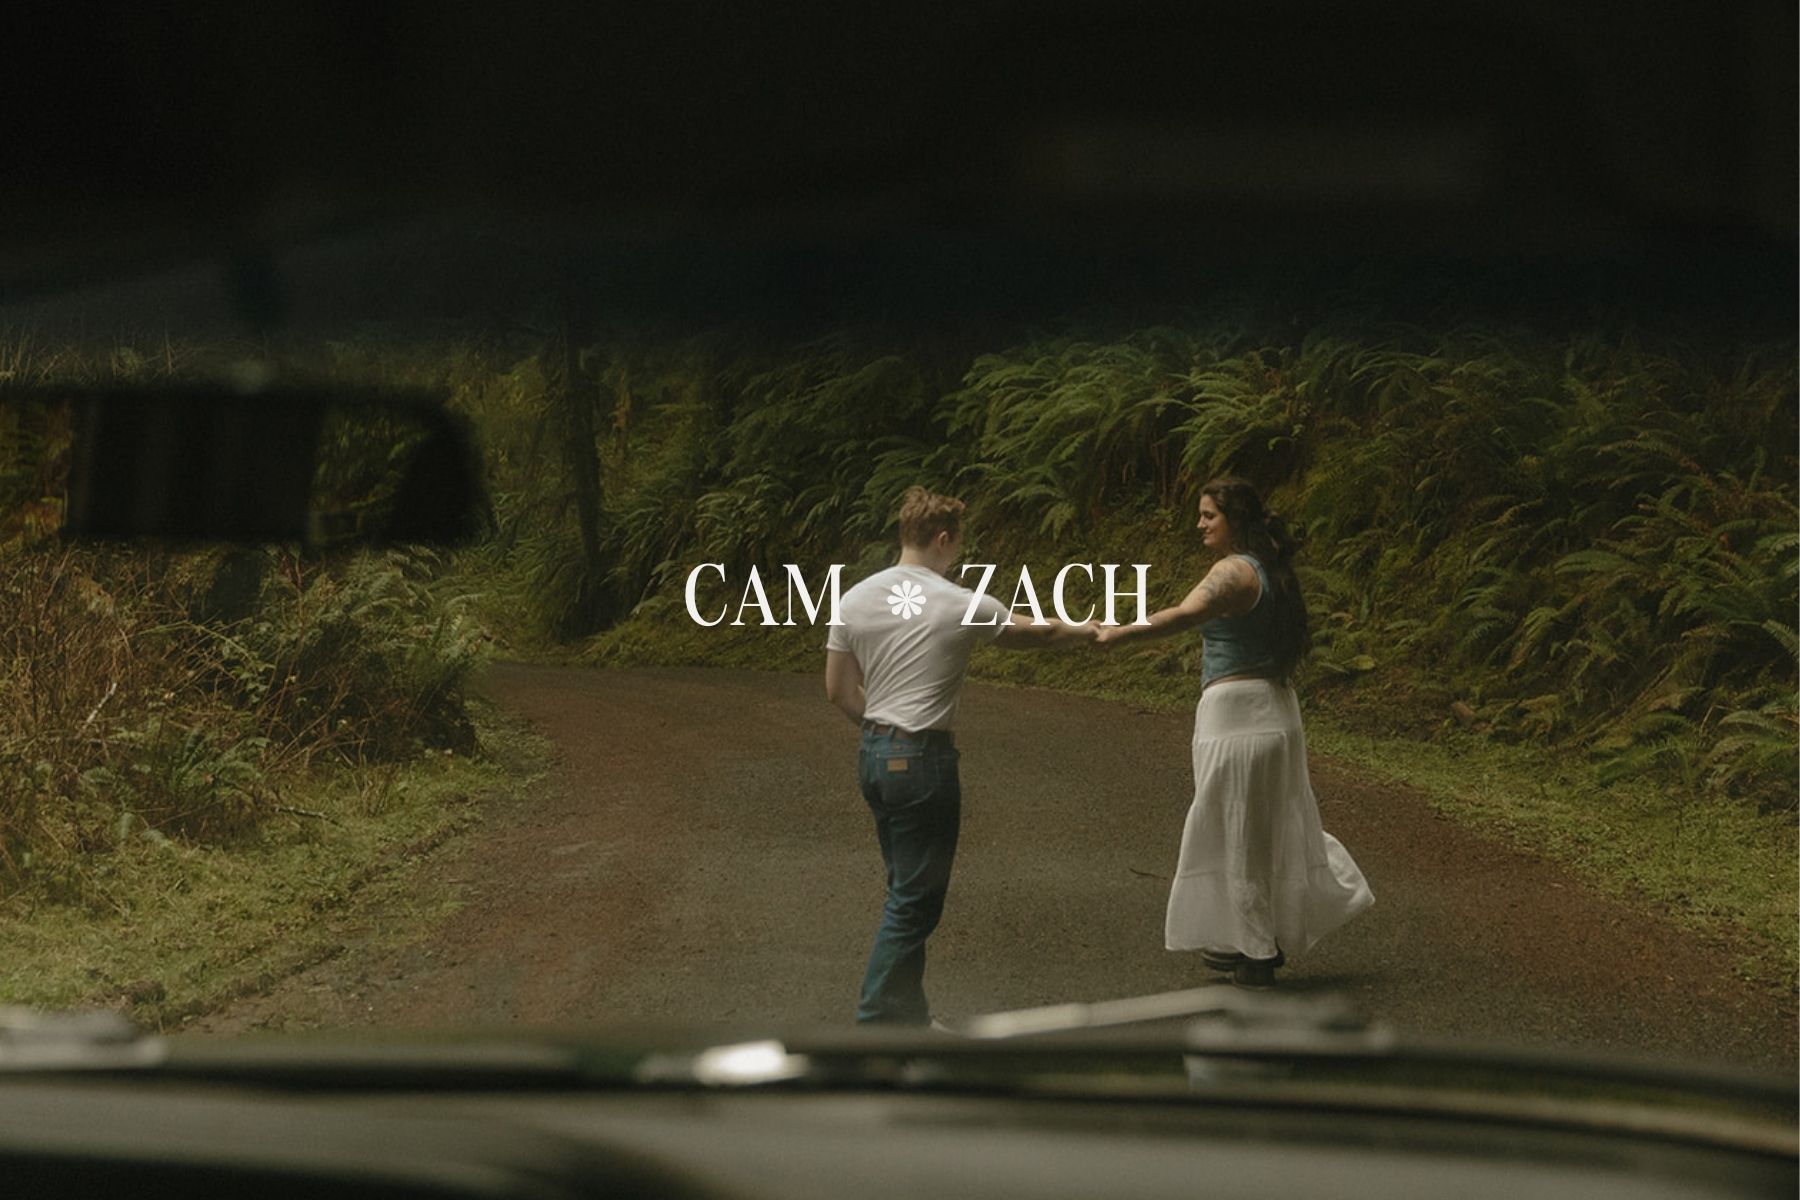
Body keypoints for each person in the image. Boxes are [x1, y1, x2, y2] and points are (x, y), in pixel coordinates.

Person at [825, 486, 1096, 1025]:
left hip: (873, 756)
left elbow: (838, 690)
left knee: (905, 888)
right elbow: (1034, 633)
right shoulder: (959, 603)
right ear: (943, 540)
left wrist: (883, 734)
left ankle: (909, 1017)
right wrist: (1086, 632)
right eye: (958, 546)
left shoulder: (854, 599)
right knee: (914, 901)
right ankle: (877, 1021)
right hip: (923, 763)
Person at [1096, 476, 1372, 988]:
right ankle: (1242, 938)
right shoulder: (1268, 570)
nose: (1199, 524)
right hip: (1273, 711)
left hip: (1239, 717)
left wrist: (1118, 634)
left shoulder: (1233, 571)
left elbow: (1184, 614)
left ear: (1235, 521)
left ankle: (1256, 951)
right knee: (1259, 827)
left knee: (1236, 830)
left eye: (1209, 516)